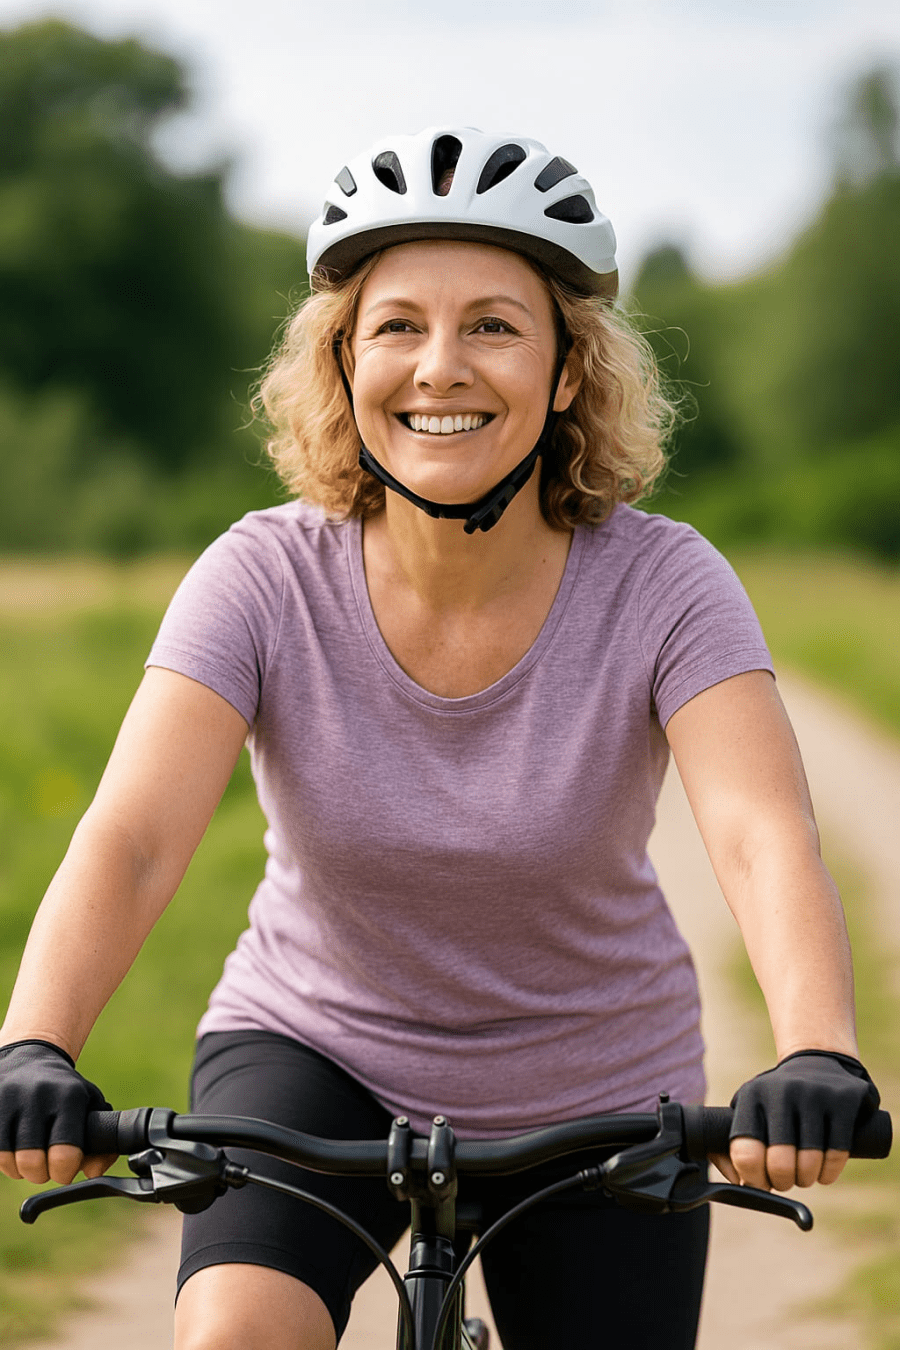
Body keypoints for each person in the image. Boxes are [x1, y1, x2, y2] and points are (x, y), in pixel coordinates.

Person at [0, 127, 880, 1350]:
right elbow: (139, 835)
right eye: (399, 325)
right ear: (344, 360)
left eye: (495, 326)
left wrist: (816, 1051)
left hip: (602, 1081)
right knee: (234, 1338)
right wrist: (36, 1041)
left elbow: (756, 832)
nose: (440, 367)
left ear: (570, 372)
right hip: (314, 1046)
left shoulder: (667, 583)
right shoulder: (261, 576)